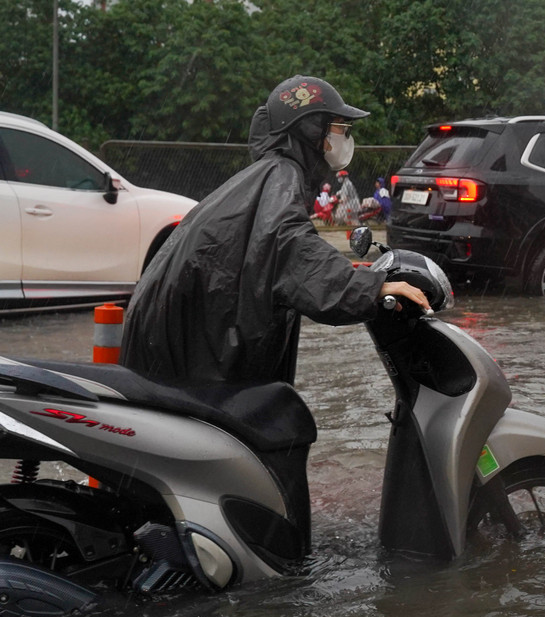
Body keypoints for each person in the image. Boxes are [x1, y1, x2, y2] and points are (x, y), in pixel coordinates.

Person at [120, 75, 428, 387]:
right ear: (312, 129)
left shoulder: (269, 174)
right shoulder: (281, 175)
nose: (344, 137)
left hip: (174, 343)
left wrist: (350, 272)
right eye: (338, 127)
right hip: (182, 356)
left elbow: (279, 248)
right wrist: (368, 286)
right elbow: (288, 245)